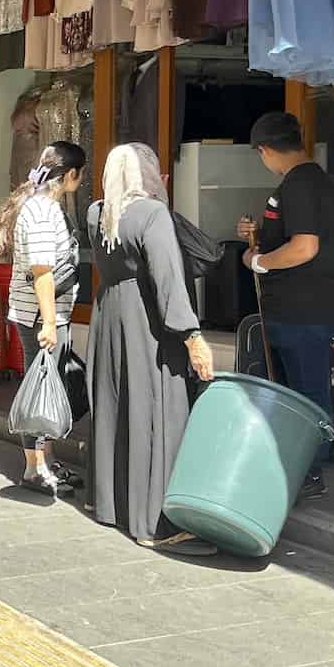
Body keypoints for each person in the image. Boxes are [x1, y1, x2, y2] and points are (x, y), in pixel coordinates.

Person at [88, 143, 217, 557]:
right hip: (148, 326)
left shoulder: (96, 213)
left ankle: (108, 504)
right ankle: (154, 525)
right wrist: (193, 337)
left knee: (116, 411)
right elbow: (168, 282)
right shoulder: (152, 214)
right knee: (158, 415)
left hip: (108, 319)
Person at [236, 111, 334, 500]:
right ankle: (297, 463)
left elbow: (304, 247)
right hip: (297, 308)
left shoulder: (301, 184)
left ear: (265, 150)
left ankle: (310, 470)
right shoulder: (308, 182)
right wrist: (259, 239)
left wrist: (259, 261)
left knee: (306, 393)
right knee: (295, 393)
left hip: (305, 309)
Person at [0, 141, 86, 497]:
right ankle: (33, 468)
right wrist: (47, 322)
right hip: (40, 315)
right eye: (80, 174)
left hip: (43, 312)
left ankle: (46, 460)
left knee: (49, 383)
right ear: (71, 174)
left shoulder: (39, 204)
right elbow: (42, 271)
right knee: (40, 386)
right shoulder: (43, 211)